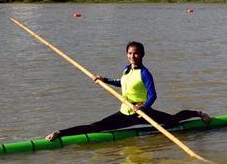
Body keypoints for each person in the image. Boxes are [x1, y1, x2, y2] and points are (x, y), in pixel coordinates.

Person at [45, 41, 210, 141]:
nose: (133, 56)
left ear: (142, 55)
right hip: (125, 113)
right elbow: (122, 83)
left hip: (144, 112)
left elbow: (153, 95)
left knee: (173, 121)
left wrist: (142, 108)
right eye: (130, 53)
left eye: (136, 53)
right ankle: (61, 133)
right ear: (127, 55)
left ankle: (198, 113)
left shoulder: (145, 73)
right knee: (96, 126)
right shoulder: (126, 70)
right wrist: (105, 80)